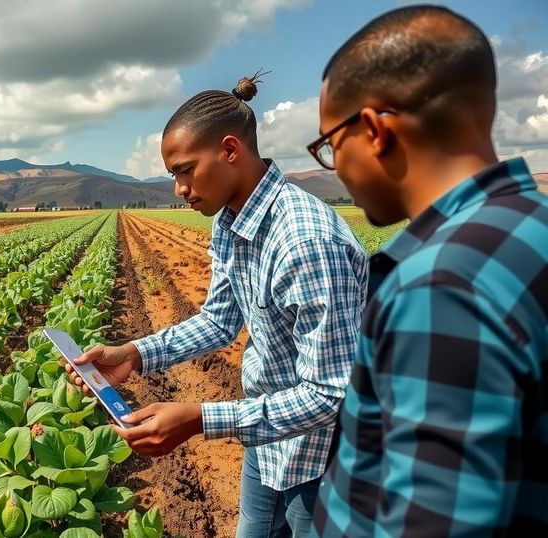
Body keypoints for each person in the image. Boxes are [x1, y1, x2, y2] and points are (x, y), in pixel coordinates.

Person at [63, 73, 369, 537]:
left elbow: (329, 394)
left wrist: (200, 419)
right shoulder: (229, 220)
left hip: (326, 456)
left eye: (185, 170)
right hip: (269, 438)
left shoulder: (305, 242)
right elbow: (220, 321)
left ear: (230, 150)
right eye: (174, 175)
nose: (179, 189)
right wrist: (134, 354)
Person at [309, 5, 548, 536]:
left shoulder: (440, 284)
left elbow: (436, 521)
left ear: (374, 131)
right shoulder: (533, 229)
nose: (336, 168)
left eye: (331, 144)